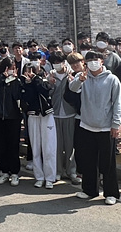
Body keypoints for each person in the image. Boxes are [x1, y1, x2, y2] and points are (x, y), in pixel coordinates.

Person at [70, 51, 121, 205]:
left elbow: (118, 103)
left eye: (95, 59)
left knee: (108, 163)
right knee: (88, 161)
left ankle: (111, 193)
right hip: (87, 125)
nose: (93, 62)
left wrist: (116, 124)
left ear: (102, 61)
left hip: (105, 127)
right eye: (89, 60)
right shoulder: (82, 77)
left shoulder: (112, 79)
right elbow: (72, 89)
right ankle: (89, 190)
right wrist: (80, 80)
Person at [0, 57, 23, 186]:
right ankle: (4, 171)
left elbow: (17, 96)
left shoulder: (17, 81)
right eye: (10, 68)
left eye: (14, 68)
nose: (12, 70)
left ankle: (14, 173)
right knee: (0, 145)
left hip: (13, 117)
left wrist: (14, 80)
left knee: (13, 145)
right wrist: (2, 77)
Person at [21, 60, 56, 189]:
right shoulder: (23, 84)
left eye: (31, 71)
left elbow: (45, 91)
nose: (29, 73)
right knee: (35, 147)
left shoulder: (43, 80)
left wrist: (35, 79)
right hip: (33, 116)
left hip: (47, 115)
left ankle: (50, 177)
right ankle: (39, 177)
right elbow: (26, 99)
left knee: (49, 147)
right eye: (27, 71)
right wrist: (27, 84)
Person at [49, 51, 81, 185]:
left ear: (64, 62)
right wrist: (50, 84)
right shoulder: (51, 75)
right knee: (57, 145)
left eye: (59, 62)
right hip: (55, 114)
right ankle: (58, 171)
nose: (57, 65)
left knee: (70, 145)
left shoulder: (72, 74)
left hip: (70, 113)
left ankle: (71, 171)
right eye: (54, 63)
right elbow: (48, 94)